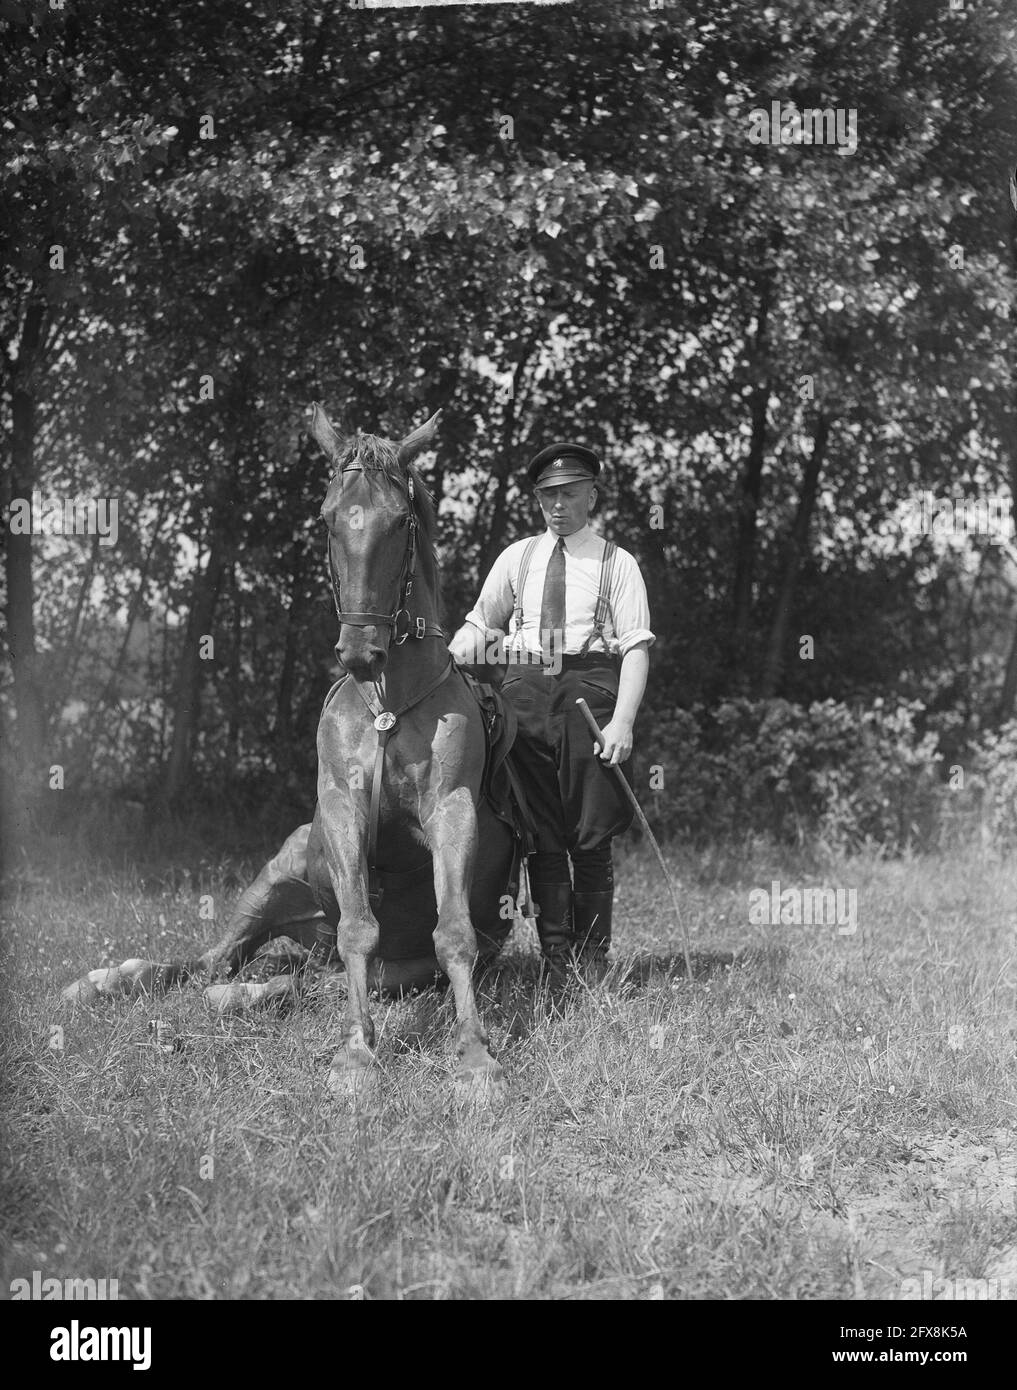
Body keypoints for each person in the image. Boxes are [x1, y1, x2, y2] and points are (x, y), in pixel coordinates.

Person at [447, 441, 654, 980]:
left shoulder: (617, 563)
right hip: (525, 693)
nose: (557, 505)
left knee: (588, 832)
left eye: (568, 493)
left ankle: (592, 960)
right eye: (547, 496)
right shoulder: (518, 557)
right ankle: (556, 962)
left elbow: (635, 647)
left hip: (591, 693)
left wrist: (623, 722)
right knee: (539, 832)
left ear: (591, 495)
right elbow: (481, 620)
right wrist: (466, 642)